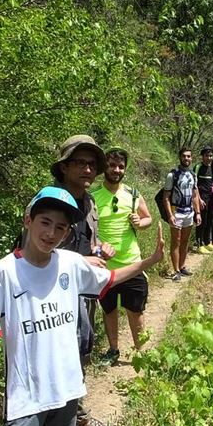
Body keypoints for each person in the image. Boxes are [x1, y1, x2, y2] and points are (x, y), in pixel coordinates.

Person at [0, 186, 164, 426]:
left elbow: (109, 278)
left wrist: (148, 261)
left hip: (65, 384)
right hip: (26, 391)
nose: (51, 233)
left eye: (60, 228)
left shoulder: (70, 263)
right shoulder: (4, 272)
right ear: (28, 220)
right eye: (45, 222)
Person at [49, 135, 113, 426]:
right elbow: (34, 253)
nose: (89, 169)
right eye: (81, 162)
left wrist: (101, 250)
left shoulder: (89, 201)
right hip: (52, 298)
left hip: (81, 295)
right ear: (64, 166)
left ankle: (74, 418)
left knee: (79, 356)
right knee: (59, 363)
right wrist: (79, 261)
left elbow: (89, 245)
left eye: (92, 164)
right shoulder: (51, 202)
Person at [93, 147, 153, 366]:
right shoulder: (93, 197)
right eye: (112, 165)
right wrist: (98, 246)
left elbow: (148, 219)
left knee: (135, 310)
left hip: (132, 263)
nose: (116, 170)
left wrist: (140, 221)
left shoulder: (133, 194)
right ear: (104, 168)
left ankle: (141, 353)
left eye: (120, 166)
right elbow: (87, 231)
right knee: (109, 309)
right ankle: (113, 350)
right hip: (104, 266)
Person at [163, 147, 201, 281]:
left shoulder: (193, 175)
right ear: (180, 157)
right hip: (176, 212)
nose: (186, 159)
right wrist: (170, 215)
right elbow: (166, 196)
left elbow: (195, 195)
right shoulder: (172, 175)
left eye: (189, 156)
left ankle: (182, 266)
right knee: (176, 242)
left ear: (191, 158)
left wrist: (197, 213)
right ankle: (176, 270)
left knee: (185, 241)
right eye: (184, 156)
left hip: (189, 212)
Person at [195, 147, 213, 254]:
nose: (209, 158)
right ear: (202, 156)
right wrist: (199, 199)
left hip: (210, 198)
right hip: (201, 198)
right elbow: (194, 184)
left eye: (211, 156)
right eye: (207, 156)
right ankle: (199, 244)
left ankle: (207, 242)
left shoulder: (210, 168)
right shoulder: (198, 167)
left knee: (210, 220)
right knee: (201, 221)